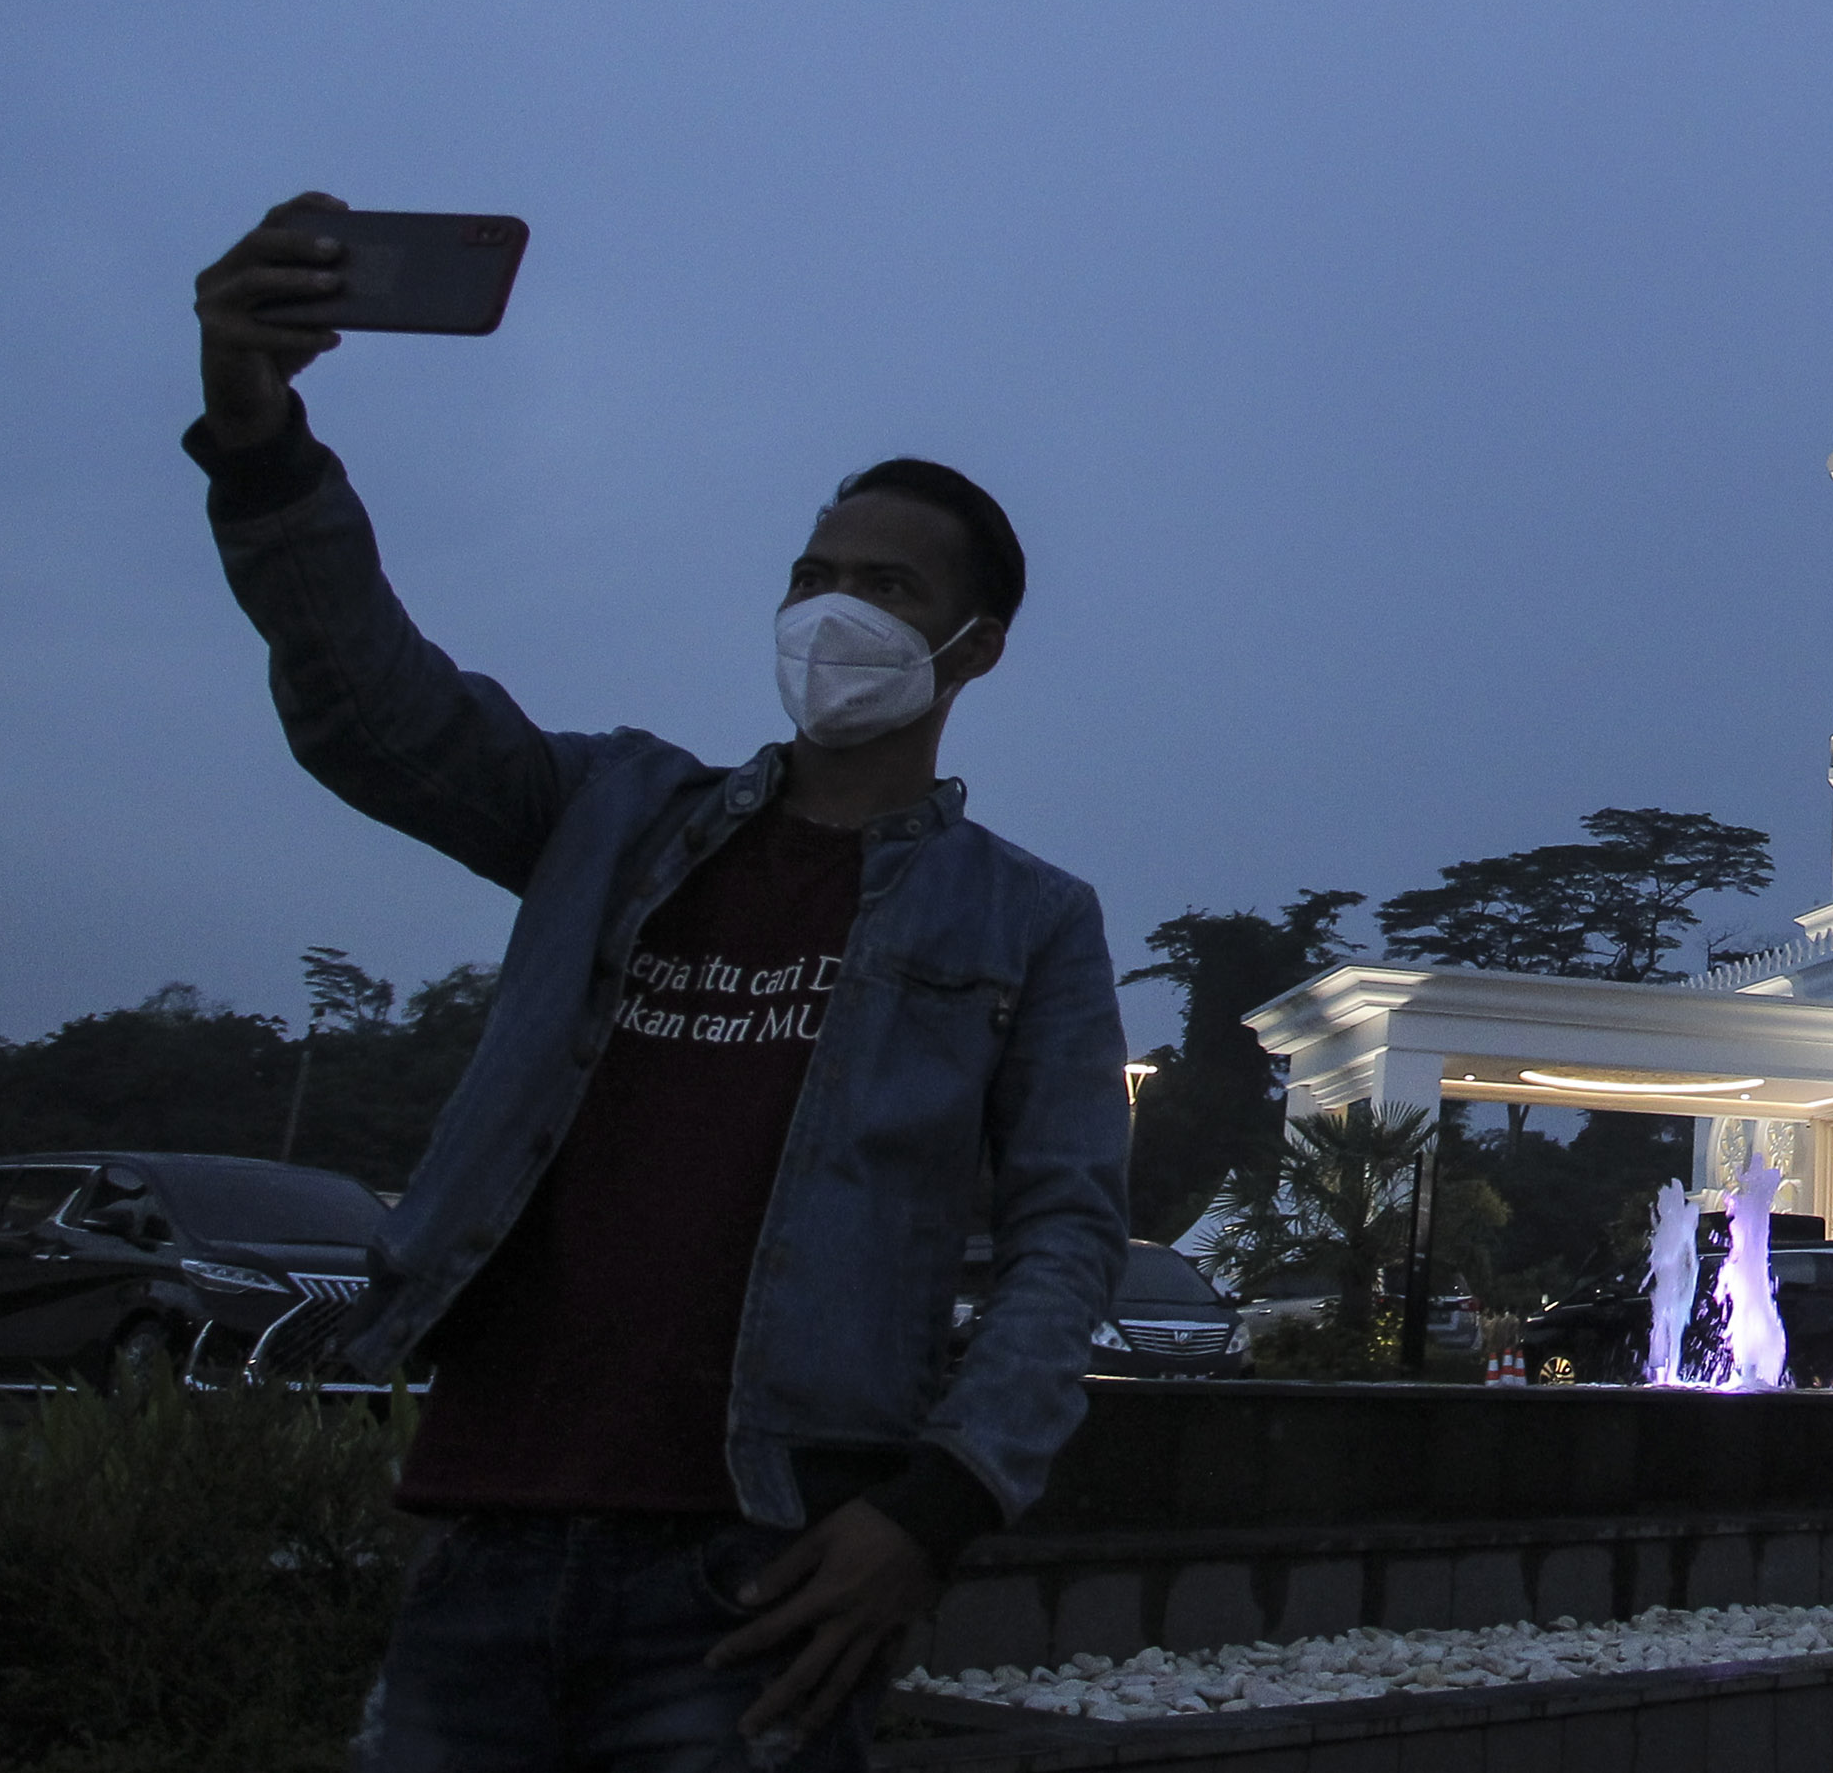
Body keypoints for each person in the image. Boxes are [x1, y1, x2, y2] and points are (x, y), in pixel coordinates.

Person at [188, 193, 1130, 1770]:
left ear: (975, 646)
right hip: (489, 1527)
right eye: (814, 569)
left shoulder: (1027, 918)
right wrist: (259, 435)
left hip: (758, 1568)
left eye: (888, 586)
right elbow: (370, 706)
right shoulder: (610, 812)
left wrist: (937, 1506)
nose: (835, 606)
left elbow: (1066, 1233)